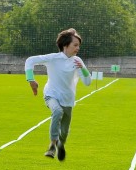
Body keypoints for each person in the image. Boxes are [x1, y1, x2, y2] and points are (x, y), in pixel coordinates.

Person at [24, 28, 92, 161]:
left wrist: (83, 68)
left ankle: (61, 144)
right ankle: (52, 145)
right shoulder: (53, 58)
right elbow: (30, 61)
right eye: (75, 45)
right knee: (57, 111)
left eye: (78, 45)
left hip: (68, 99)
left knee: (65, 131)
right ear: (66, 45)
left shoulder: (77, 61)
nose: (78, 48)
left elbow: (88, 82)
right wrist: (31, 79)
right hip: (51, 94)